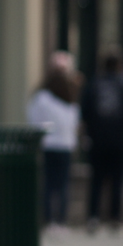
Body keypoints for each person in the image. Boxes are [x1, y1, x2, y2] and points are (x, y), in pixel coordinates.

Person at [26, 52, 81, 229]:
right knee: (62, 184)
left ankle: (50, 220)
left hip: (49, 145)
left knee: (49, 184)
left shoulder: (42, 97)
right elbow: (75, 121)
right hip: (64, 145)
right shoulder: (70, 96)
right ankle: (60, 221)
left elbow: (33, 119)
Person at [81, 48, 123, 232]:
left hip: (97, 141)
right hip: (118, 141)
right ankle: (114, 217)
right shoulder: (121, 85)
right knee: (116, 180)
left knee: (96, 180)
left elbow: (85, 112)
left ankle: (93, 216)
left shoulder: (94, 84)